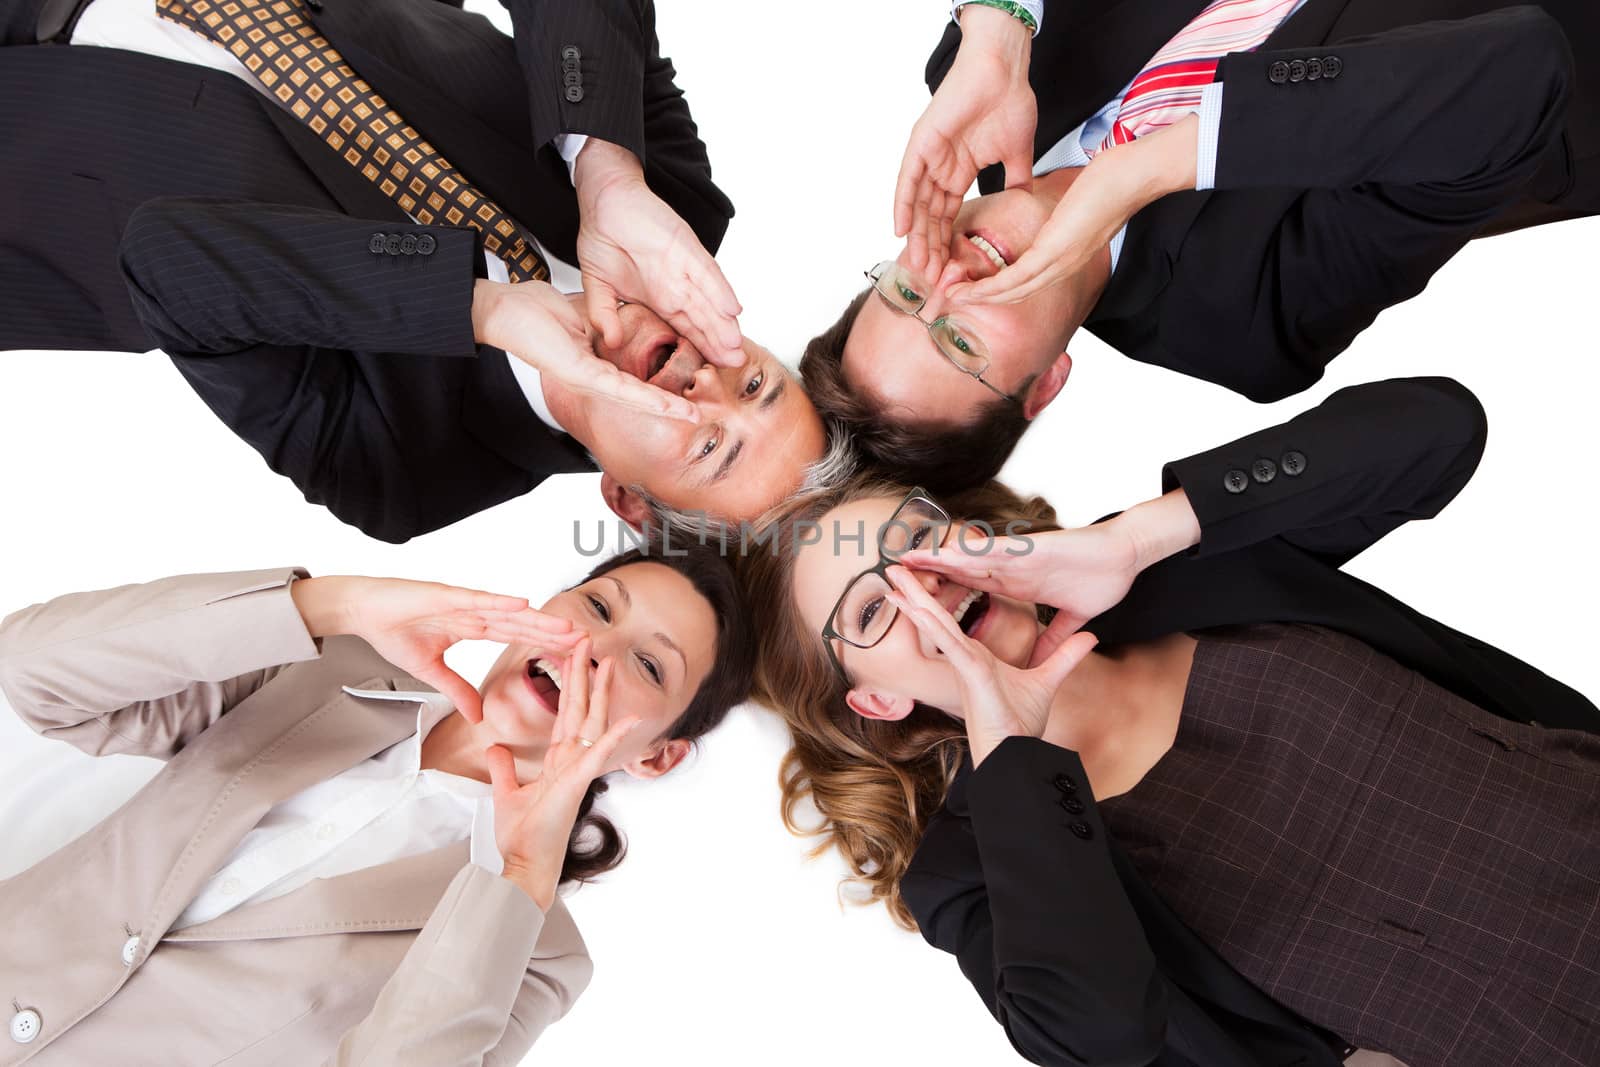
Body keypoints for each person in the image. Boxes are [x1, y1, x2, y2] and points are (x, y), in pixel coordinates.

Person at [740, 377, 1600, 1066]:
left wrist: (1142, 536)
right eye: (870, 611)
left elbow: (1439, 428)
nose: (920, 590)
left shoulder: (1155, 571)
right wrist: (1012, 760)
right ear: (875, 699)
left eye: (915, 541)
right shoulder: (967, 876)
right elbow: (1101, 1033)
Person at [0, 0, 833, 541]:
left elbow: (165, 262)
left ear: (630, 499)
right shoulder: (670, 206)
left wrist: (474, 306)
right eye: (754, 384)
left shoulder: (404, 470)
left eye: (711, 445)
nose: (705, 385)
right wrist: (608, 173)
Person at [0, 543, 755, 1063]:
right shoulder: (331, 669)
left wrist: (520, 871)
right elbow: (35, 674)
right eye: (596, 605)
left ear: (656, 754)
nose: (591, 651)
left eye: (649, 664)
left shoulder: (538, 954)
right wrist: (333, 603)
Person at [804, 0, 1600, 491]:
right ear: (1044, 386)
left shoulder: (974, 78)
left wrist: (1000, 21)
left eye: (905, 295)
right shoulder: (1247, 322)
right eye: (959, 340)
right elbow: (1519, 76)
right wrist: (1169, 158)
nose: (952, 281)